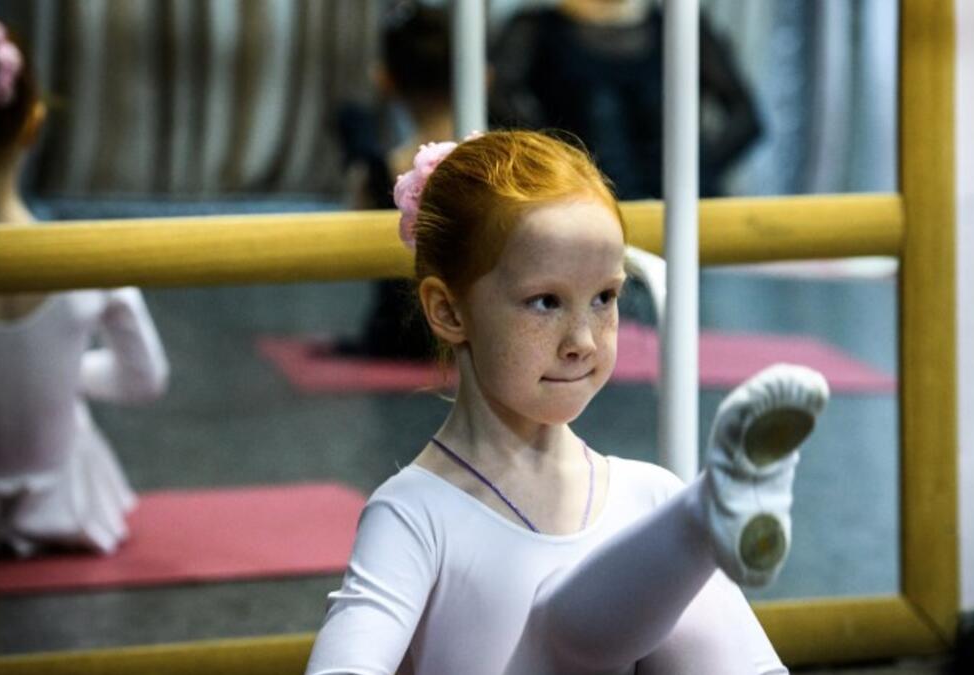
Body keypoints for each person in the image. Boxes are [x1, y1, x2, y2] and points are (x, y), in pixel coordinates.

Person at [305, 130, 830, 674]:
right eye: (545, 302)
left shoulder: (646, 496)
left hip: (668, 521)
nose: (583, 340)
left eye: (605, 297)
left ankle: (709, 516)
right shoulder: (416, 512)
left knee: (653, 524)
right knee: (567, 625)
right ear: (449, 311)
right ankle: (706, 517)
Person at [0, 20, 169, 556]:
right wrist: (61, 372)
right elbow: (145, 379)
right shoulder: (90, 263)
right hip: (68, 504)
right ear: (33, 122)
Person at [489, 0, 762, 200]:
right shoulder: (534, 30)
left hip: (686, 209)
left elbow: (746, 118)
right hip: (584, 207)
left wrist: (697, 170)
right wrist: (555, 165)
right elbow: (498, 104)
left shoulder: (682, 26)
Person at [332, 0, 452, 361]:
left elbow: (348, 252)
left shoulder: (377, 173)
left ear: (385, 80)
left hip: (399, 337)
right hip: (479, 331)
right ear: (482, 75)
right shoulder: (510, 164)